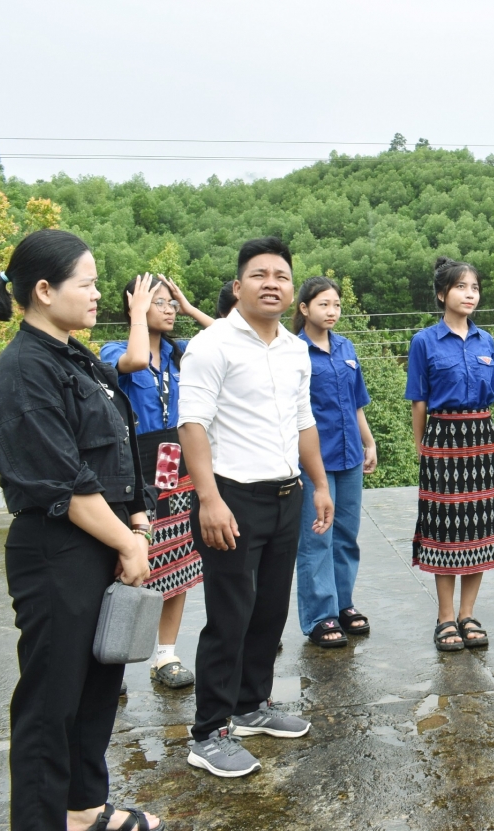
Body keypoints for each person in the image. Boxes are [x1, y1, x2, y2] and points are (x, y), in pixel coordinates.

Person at [0, 229, 165, 830]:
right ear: (43, 289)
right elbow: (64, 480)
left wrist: (138, 515)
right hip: (58, 551)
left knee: (96, 688)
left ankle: (83, 808)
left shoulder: (72, 356)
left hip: (104, 540)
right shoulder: (22, 371)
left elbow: (115, 447)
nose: (97, 293)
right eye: (87, 283)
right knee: (50, 702)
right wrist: (128, 542)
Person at [178, 237, 335, 777]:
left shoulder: (294, 349)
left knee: (269, 609)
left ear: (291, 291)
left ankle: (251, 705)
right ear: (239, 285)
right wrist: (209, 499)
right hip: (232, 496)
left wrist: (318, 483)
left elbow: (303, 421)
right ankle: (209, 732)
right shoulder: (212, 344)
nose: (272, 283)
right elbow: (192, 423)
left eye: (282, 276)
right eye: (260, 274)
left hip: (286, 493)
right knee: (229, 615)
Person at [99, 272, 216, 690]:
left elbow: (226, 338)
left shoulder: (178, 353)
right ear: (134, 304)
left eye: (171, 302)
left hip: (176, 463)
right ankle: (108, 658)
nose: (168, 309)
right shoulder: (115, 349)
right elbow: (130, 362)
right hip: (134, 465)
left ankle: (165, 654)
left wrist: (187, 307)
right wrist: (136, 316)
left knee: (177, 562)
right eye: (159, 301)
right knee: (126, 563)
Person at [406, 257, 494, 652]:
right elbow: (418, 402)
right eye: (461, 287)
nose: (469, 294)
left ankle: (468, 613)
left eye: (474, 288)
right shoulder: (424, 341)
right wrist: (422, 449)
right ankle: (445, 617)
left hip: (481, 437)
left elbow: (491, 391)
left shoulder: (486, 341)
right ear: (443, 294)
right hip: (442, 437)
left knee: (478, 529)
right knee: (444, 530)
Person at [292, 276, 377, 648]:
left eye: (336, 305)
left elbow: (356, 402)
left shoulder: (346, 347)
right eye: (323, 304)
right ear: (304, 308)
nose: (332, 311)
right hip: (315, 460)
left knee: (346, 535)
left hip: (349, 456)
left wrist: (368, 442)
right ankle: (319, 615)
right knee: (316, 538)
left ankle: (344, 604)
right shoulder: (293, 352)